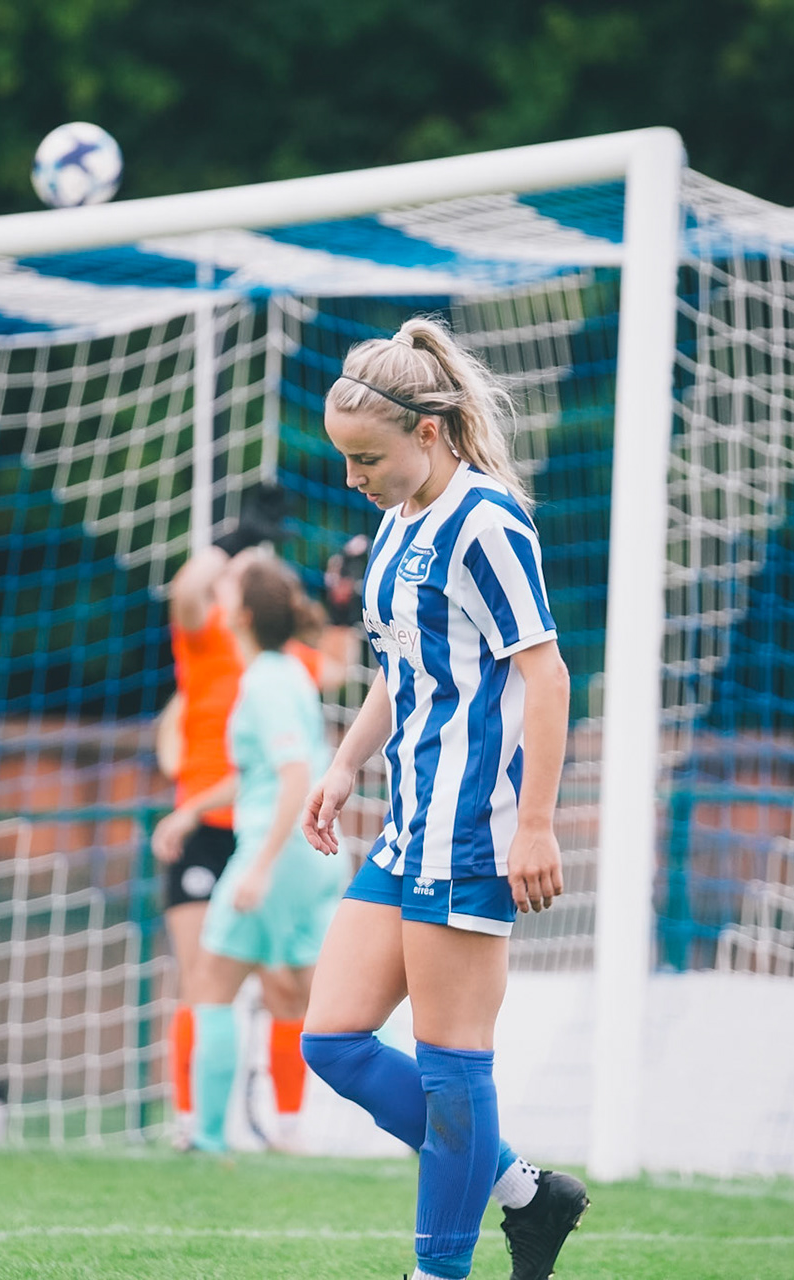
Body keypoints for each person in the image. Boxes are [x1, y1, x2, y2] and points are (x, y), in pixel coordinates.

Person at [298, 316, 589, 1280]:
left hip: (472, 831)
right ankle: (525, 1194)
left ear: (428, 432)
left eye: (366, 458)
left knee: (453, 1068)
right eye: (345, 459)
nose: (354, 478)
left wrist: (535, 824)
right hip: (407, 824)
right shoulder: (398, 518)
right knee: (333, 1041)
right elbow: (404, 666)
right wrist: (345, 764)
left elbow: (546, 676)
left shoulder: (486, 522)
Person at [151, 492, 328, 1149]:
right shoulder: (221, 646)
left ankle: (238, 1131)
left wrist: (260, 865)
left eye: (231, 584)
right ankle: (205, 1126)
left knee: (260, 987)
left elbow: (292, 773)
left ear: (246, 609)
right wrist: (236, 539)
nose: (218, 589)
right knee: (223, 979)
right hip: (234, 833)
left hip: (267, 841)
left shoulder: (271, 674)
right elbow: (188, 587)